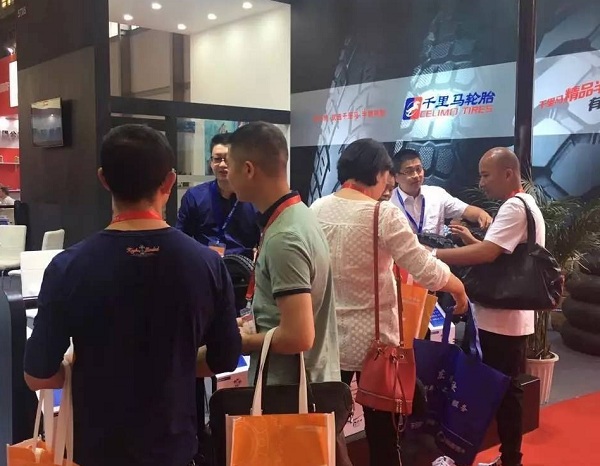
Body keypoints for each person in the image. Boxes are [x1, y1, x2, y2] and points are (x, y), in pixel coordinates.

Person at [24, 125, 241, 466]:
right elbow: (225, 359)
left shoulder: (68, 267)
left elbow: (38, 374)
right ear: (169, 182)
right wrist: (174, 366)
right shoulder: (207, 265)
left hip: (96, 449)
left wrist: (86, 371)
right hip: (174, 446)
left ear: (103, 179)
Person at [310, 138, 469, 466]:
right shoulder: (383, 214)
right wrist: (458, 287)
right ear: (380, 173)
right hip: (377, 344)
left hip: (328, 339)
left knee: (325, 425)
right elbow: (424, 268)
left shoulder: (316, 209)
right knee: (383, 433)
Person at [223, 121, 351, 465]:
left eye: (229, 166)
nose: (226, 175)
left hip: (289, 392)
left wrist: (244, 341)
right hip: (307, 383)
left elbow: (298, 335)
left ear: (248, 169)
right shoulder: (298, 217)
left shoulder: (285, 236)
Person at [435, 147, 541, 466]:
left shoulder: (513, 207)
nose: (481, 183)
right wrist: (470, 239)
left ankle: (462, 455)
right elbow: (499, 253)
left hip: (499, 321)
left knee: (485, 391)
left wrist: (431, 255)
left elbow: (487, 255)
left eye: (485, 175)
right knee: (507, 393)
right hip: (511, 319)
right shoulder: (527, 205)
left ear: (508, 174)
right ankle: (509, 459)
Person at [176, 133, 260, 259]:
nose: (222, 165)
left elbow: (263, 242)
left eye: (227, 159)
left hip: (241, 267)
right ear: (211, 163)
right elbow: (181, 240)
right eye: (217, 159)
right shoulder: (195, 197)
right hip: (205, 266)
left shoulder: (254, 199)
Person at [390, 148, 492, 235]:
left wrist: (481, 214)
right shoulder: (388, 202)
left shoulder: (436, 194)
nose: (416, 175)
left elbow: (466, 210)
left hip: (437, 251)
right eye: (409, 171)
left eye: (419, 169)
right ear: (395, 177)